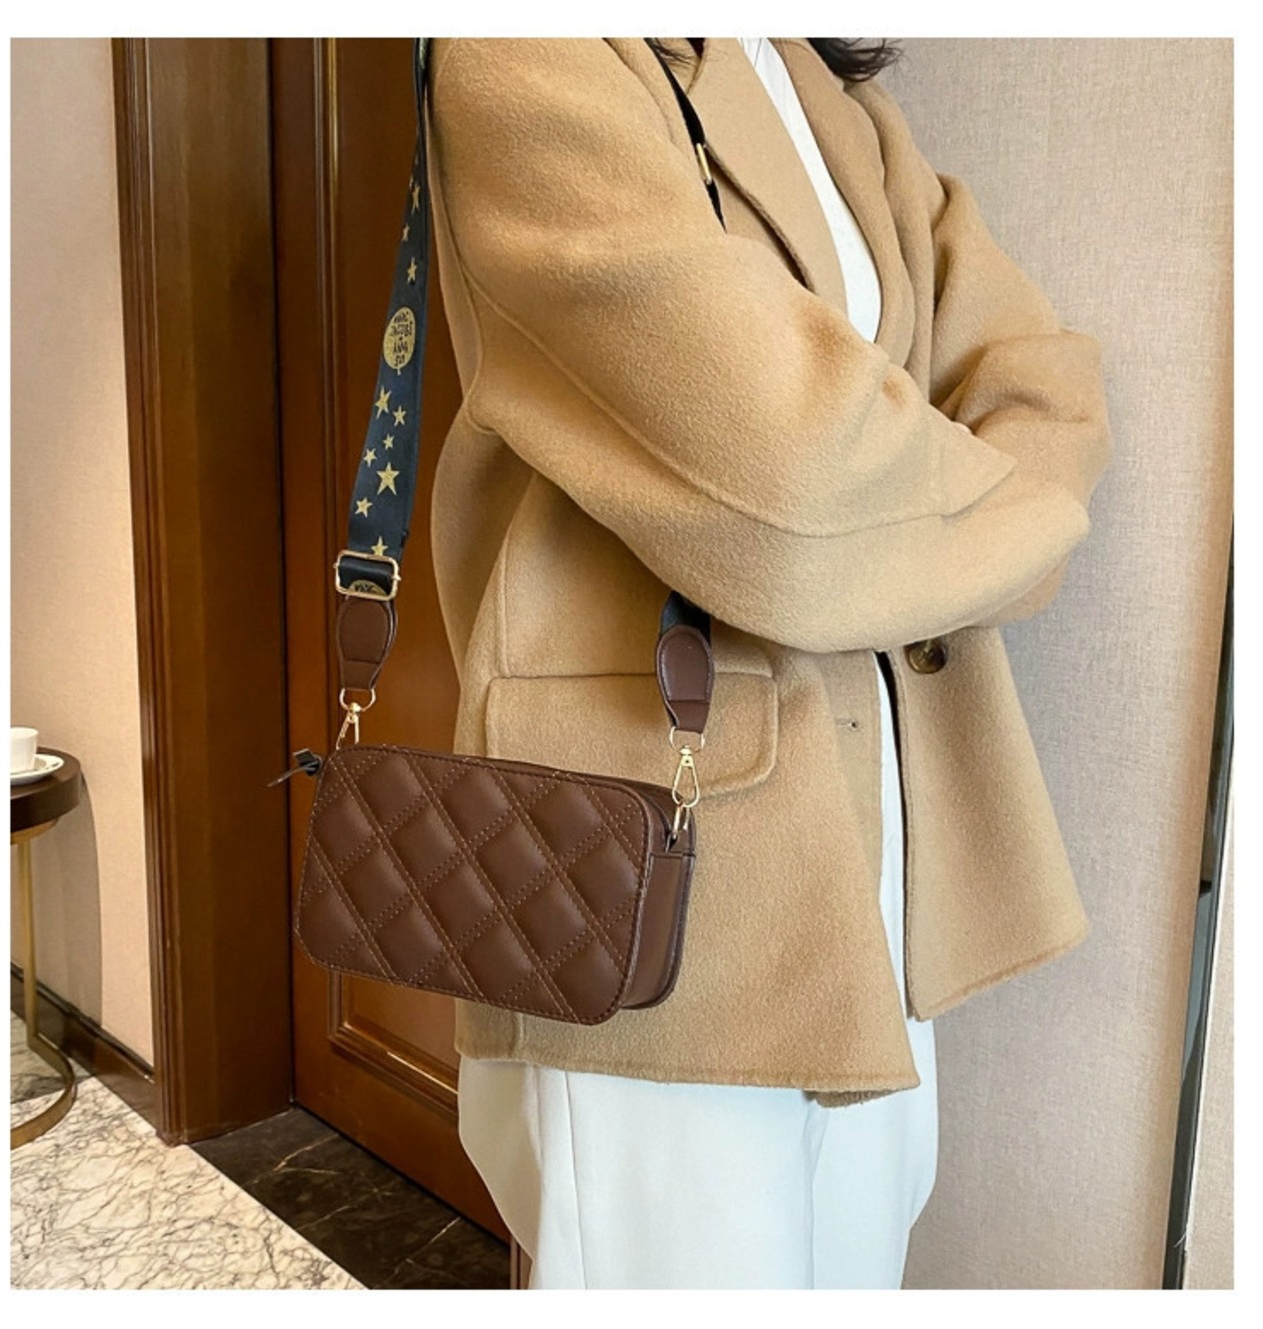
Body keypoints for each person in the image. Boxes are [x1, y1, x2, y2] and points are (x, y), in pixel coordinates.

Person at [419, 37, 1112, 1289]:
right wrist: (990, 517)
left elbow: (1042, 379)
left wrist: (907, 503)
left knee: (855, 1269)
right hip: (649, 846)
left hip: (876, 832)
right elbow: (788, 488)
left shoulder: (835, 99)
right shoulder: (529, 54)